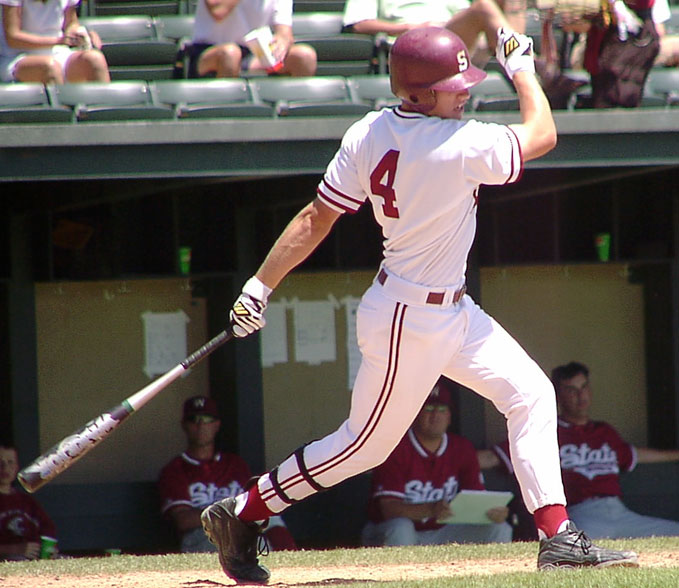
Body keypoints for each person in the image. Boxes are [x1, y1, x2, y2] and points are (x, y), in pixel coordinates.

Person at [200, 11, 639, 583]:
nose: (463, 96)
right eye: (453, 89)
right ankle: (244, 512)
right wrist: (524, 70)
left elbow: (316, 218)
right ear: (421, 93)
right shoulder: (457, 143)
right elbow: (543, 134)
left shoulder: (370, 130)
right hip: (409, 316)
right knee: (363, 448)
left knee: (531, 392)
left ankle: (557, 537)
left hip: (449, 309)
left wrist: (259, 286)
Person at [480, 361, 679, 539]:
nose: (580, 395)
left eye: (583, 387)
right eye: (571, 390)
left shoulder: (604, 432)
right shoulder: (546, 429)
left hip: (620, 512)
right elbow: (491, 457)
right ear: (558, 396)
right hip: (579, 514)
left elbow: (635, 454)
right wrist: (454, 458)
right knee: (576, 547)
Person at [361, 382, 513, 547]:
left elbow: (475, 498)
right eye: (428, 409)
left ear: (449, 416)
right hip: (391, 531)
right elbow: (389, 509)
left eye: (441, 409)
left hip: (444, 531)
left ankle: (493, 572)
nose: (435, 415)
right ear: (415, 414)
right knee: (401, 527)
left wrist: (490, 512)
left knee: (499, 528)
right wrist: (431, 509)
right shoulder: (395, 448)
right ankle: (401, 573)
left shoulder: (461, 448)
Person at [158, 395, 297, 553]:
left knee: (270, 517)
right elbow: (183, 520)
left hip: (238, 527)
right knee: (245, 542)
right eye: (194, 419)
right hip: (203, 534)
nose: (201, 424)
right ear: (185, 425)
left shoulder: (234, 464)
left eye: (206, 418)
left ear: (216, 425)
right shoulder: (175, 469)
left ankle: (289, 557)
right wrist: (227, 512)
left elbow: (253, 501)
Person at [187, 0, 317, 79]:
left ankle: (292, 118)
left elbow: (284, 32)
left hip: (254, 53)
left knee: (304, 56)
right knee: (231, 54)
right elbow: (218, 10)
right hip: (208, 51)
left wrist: (281, 43)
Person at [0, 0, 110, 84]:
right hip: (18, 58)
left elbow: (71, 23)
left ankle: (105, 111)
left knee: (94, 59)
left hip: (58, 53)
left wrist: (82, 34)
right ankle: (63, 112)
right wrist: (58, 41)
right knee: (50, 67)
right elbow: (13, 38)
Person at [0, 443, 58, 561]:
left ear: (17, 466)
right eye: (0, 463)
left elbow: (47, 528)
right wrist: (13, 549)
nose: (5, 468)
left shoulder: (27, 501)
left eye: (10, 462)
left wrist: (48, 549)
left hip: (34, 558)